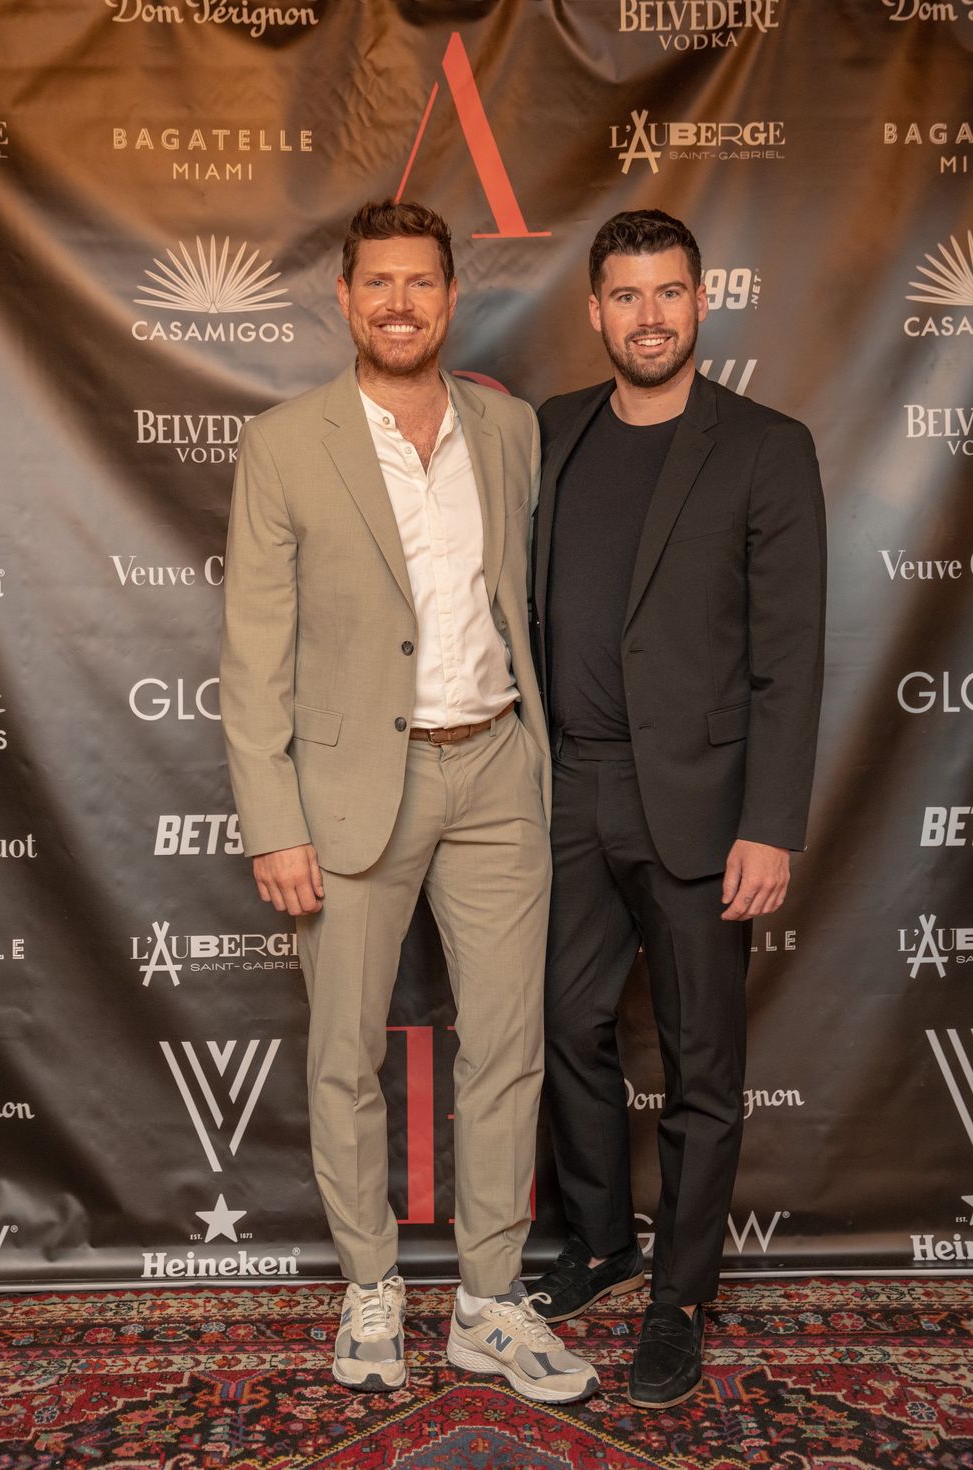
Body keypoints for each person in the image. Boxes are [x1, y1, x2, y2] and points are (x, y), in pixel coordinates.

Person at [219, 200, 597, 1404]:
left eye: (420, 283)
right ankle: (370, 1287)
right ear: (344, 298)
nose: (398, 302)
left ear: (449, 296)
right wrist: (273, 819)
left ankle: (487, 1304)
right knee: (342, 1056)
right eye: (376, 282)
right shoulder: (285, 443)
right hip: (344, 791)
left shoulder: (507, 427)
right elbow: (251, 655)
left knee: (505, 1050)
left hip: (494, 768)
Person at [529, 209, 826, 1408]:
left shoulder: (763, 445)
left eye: (668, 293)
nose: (646, 316)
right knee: (560, 1027)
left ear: (701, 302)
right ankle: (600, 1244)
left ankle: (678, 1297)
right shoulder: (548, 434)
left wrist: (772, 822)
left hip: (703, 807)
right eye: (623, 296)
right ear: (592, 311)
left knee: (703, 1058)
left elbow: (788, 656)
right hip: (559, 786)